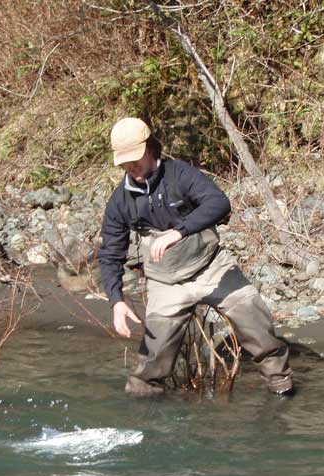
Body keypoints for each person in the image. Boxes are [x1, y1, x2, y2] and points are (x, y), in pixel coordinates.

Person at [97, 117, 293, 395]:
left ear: (150, 148)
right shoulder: (120, 200)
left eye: (135, 159)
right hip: (166, 283)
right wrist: (116, 300)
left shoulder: (180, 174)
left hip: (212, 268)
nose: (131, 167)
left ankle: (281, 387)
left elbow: (218, 203)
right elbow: (110, 254)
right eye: (125, 162)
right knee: (149, 366)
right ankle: (145, 419)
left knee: (255, 320)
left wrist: (179, 231)